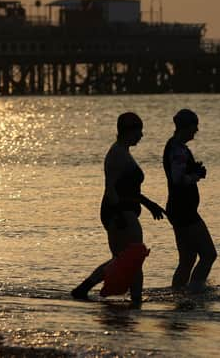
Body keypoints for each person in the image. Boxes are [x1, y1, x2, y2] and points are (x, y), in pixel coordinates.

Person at [71, 112, 165, 305]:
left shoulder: (124, 152)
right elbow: (111, 188)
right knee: (135, 256)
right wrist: (120, 215)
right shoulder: (117, 155)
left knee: (121, 258)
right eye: (139, 131)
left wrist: (149, 205)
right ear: (128, 131)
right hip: (119, 212)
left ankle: (83, 289)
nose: (141, 136)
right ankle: (136, 302)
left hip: (123, 211)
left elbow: (130, 190)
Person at [163, 109, 217, 293]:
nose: (197, 131)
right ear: (186, 127)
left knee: (187, 259)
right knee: (209, 254)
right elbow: (178, 179)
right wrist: (196, 175)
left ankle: (179, 293)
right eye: (195, 126)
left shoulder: (178, 147)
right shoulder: (177, 149)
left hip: (179, 209)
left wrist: (193, 169)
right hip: (184, 211)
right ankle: (195, 292)